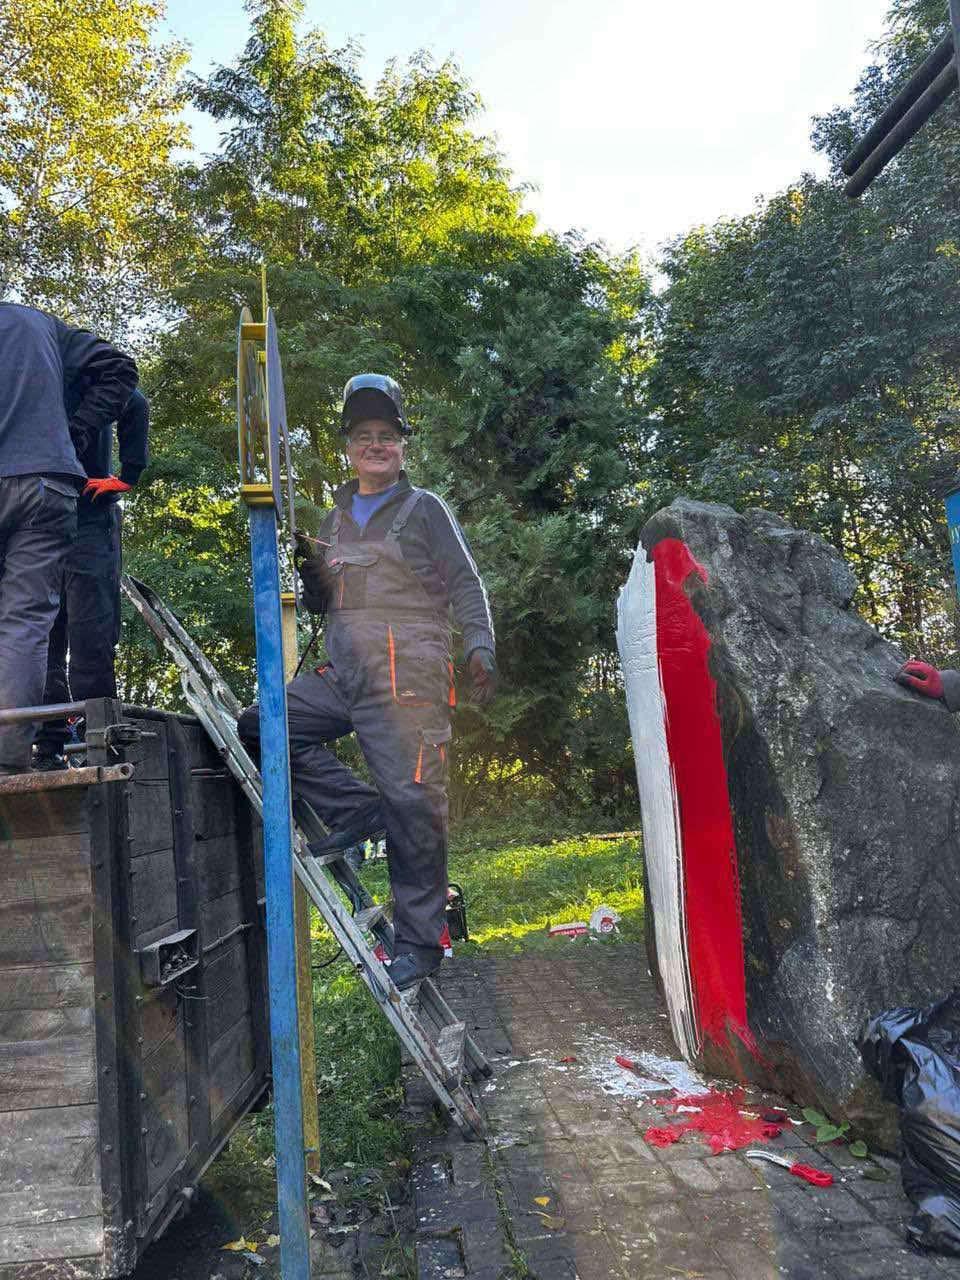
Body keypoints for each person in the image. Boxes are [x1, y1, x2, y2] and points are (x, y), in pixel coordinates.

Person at [239, 374, 498, 989]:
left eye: (386, 435)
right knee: (263, 726)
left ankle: (421, 942)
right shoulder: (333, 521)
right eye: (364, 435)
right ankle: (358, 809)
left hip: (409, 680)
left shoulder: (425, 509)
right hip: (344, 672)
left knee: (415, 806)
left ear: (402, 446)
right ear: (349, 448)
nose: (375, 445)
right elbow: (326, 605)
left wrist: (480, 643)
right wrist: (314, 580)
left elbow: (466, 582)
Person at [0, 303, 138, 774]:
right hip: (45, 488)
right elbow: (120, 369)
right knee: (30, 625)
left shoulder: (49, 344)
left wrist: (124, 472)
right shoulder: (35, 332)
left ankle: (83, 744)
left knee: (81, 638)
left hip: (81, 511)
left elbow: (131, 393)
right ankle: (21, 755)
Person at [35, 388, 150, 769]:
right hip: (36, 524)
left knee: (90, 641)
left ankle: (100, 749)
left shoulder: (83, 370)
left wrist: (128, 475)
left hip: (88, 517)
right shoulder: (26, 376)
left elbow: (134, 402)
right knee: (41, 642)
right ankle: (48, 749)